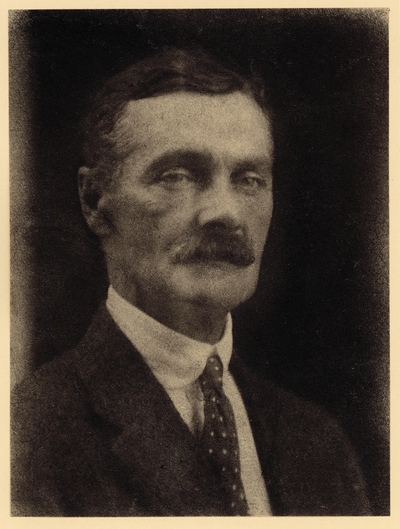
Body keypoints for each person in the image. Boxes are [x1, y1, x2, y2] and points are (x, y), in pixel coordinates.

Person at [11, 48, 371, 516]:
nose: (225, 213)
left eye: (249, 179)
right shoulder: (30, 433)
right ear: (95, 201)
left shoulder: (319, 443)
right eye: (178, 176)